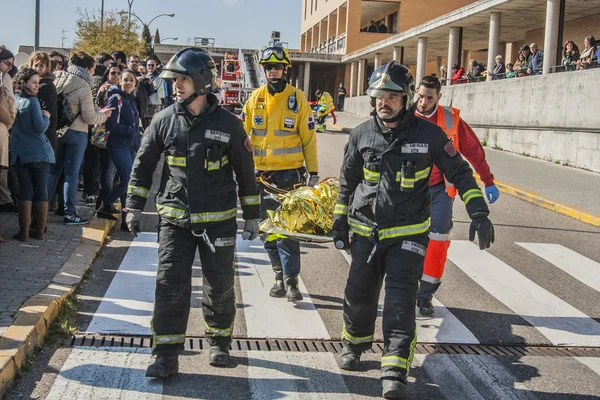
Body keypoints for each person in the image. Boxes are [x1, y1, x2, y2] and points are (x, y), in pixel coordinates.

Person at [332, 61, 495, 399]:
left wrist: (478, 211)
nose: (384, 102)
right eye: (379, 96)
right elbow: (347, 182)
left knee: (400, 302)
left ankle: (394, 369)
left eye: (392, 96)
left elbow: (461, 172)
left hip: (408, 234)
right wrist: (339, 219)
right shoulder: (361, 134)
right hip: (366, 232)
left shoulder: (429, 135)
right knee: (359, 295)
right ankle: (355, 345)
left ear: (405, 98)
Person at [124, 48, 260, 377]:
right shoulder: (163, 120)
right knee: (170, 284)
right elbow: (143, 167)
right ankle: (166, 354)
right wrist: (133, 206)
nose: (176, 86)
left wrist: (253, 215)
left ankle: (219, 344)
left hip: (219, 222)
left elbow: (246, 172)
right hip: (175, 220)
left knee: (220, 284)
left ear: (201, 81)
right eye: (175, 80)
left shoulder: (230, 125)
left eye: (183, 79)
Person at [413, 75, 499, 317]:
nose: (423, 102)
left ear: (438, 97)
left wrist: (488, 180)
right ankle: (405, 288)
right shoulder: (404, 117)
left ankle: (425, 294)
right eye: (420, 96)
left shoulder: (450, 119)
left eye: (429, 98)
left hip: (440, 189)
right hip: (409, 190)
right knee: (405, 239)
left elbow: (472, 150)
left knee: (438, 237)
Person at [241, 45, 318, 301]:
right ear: (264, 71)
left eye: (277, 67)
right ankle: (278, 273)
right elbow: (242, 137)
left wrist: (314, 173)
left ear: (286, 69)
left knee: (288, 229)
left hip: (289, 177)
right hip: (262, 177)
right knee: (269, 229)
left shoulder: (299, 99)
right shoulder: (255, 99)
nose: (273, 71)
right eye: (268, 67)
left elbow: (309, 139)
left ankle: (291, 280)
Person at [49, 52, 113, 225]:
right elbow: (89, 117)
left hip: (58, 131)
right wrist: (104, 115)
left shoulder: (57, 77)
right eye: (92, 69)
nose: (93, 72)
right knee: (71, 174)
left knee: (53, 171)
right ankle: (70, 213)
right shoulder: (84, 85)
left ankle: (41, 210)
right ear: (86, 68)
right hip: (77, 133)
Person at [10, 67, 54, 241]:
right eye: (34, 82)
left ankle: (24, 232)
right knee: (40, 189)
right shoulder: (33, 102)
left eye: (38, 82)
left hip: (20, 153)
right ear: (24, 83)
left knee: (25, 190)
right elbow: (40, 127)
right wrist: (47, 116)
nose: (37, 86)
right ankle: (39, 230)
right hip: (39, 153)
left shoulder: (15, 100)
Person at [96, 69, 141, 225]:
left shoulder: (132, 99)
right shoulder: (115, 98)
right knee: (128, 180)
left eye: (131, 80)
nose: (128, 83)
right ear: (120, 82)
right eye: (125, 80)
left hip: (131, 146)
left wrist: (138, 132)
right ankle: (106, 204)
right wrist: (130, 131)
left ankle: (124, 220)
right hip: (118, 145)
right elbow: (111, 124)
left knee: (126, 182)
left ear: (135, 83)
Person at [0, 46, 18, 215]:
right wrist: (10, 120)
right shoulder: (3, 78)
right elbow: (10, 104)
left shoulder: (5, 76)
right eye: (7, 63)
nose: (9, 67)